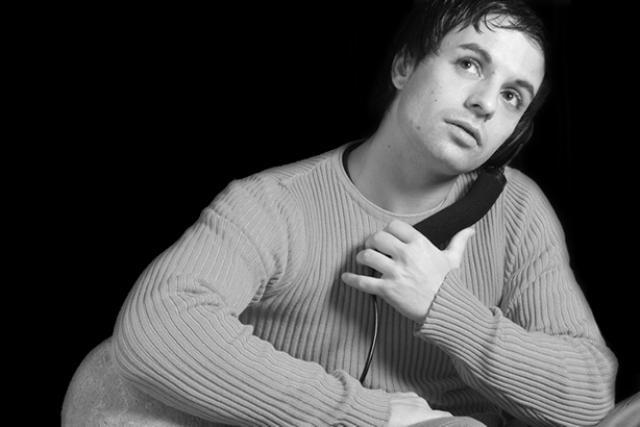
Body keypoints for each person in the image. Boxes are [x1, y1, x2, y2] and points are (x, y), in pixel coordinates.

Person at [112, 0, 617, 425]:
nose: (486, 103)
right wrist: (370, 416)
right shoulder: (272, 203)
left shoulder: (519, 208)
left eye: (512, 96)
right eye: (469, 64)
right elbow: (158, 325)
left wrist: (444, 306)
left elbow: (589, 395)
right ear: (404, 67)